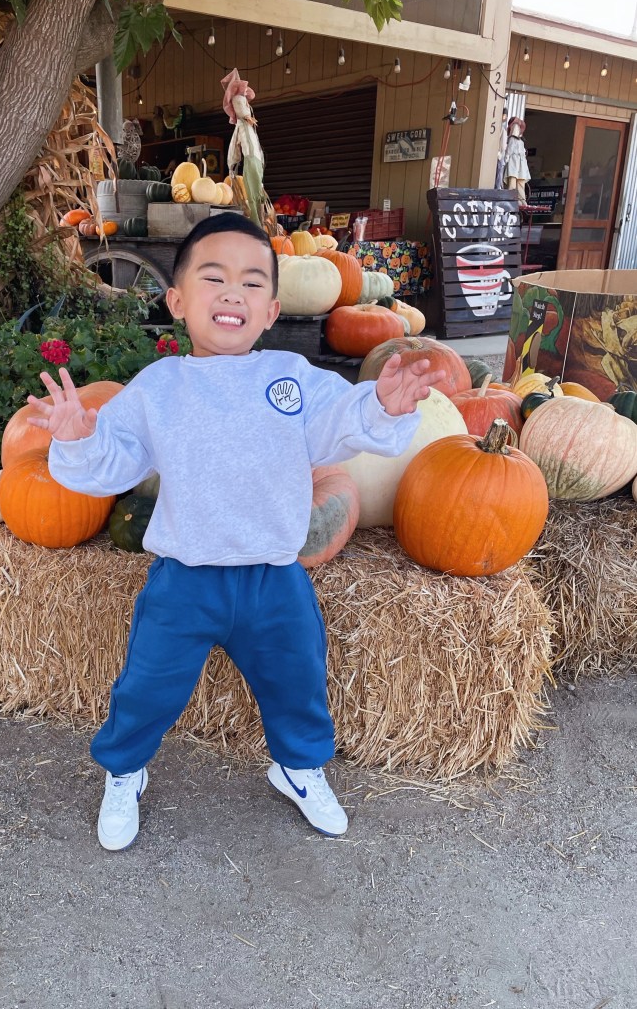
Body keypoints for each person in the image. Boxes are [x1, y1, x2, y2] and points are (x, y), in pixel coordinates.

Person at [27, 213, 444, 851]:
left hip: (273, 577)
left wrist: (383, 404)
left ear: (272, 309)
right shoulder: (160, 387)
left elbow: (341, 420)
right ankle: (125, 770)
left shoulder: (290, 378)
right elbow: (117, 463)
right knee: (148, 685)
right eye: (213, 277)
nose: (233, 293)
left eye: (251, 283)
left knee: (298, 678)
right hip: (185, 580)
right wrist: (80, 439)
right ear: (177, 301)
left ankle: (298, 767)